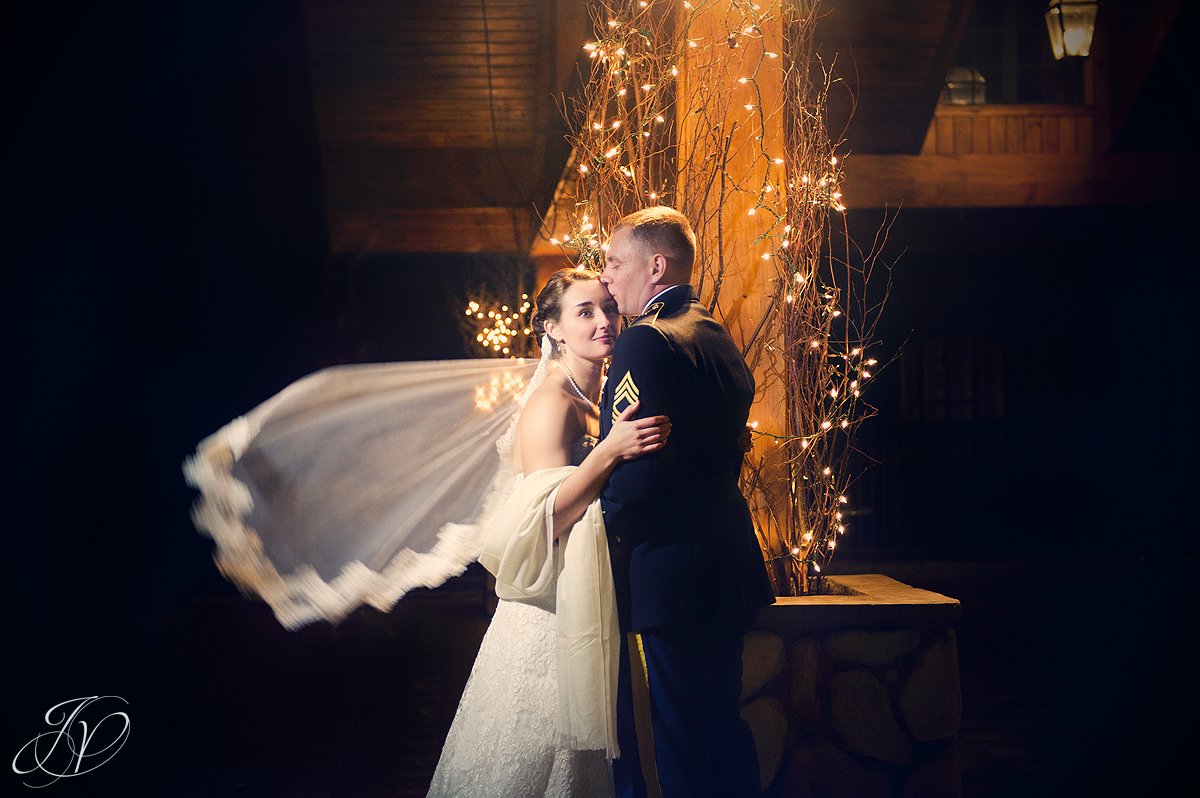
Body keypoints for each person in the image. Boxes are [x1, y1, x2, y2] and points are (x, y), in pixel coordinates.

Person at [427, 267, 669, 797]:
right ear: (554, 329)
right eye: (585, 312)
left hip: (590, 595)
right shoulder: (551, 402)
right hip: (550, 609)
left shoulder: (601, 398)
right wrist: (610, 451)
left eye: (607, 308)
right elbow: (546, 518)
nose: (604, 320)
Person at [597, 206, 776, 798]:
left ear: (655, 265)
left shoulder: (644, 343)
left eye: (615, 263)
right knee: (721, 727)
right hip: (728, 560)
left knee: (676, 745)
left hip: (670, 571)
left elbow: (636, 474)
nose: (605, 277)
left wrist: (594, 522)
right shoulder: (717, 338)